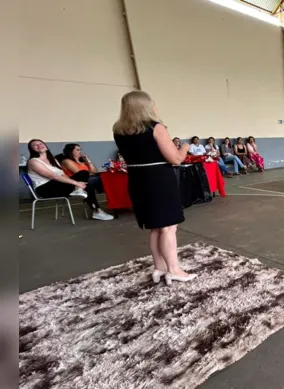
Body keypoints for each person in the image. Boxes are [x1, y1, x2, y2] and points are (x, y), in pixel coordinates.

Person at [112, 90, 196, 285]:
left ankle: (160, 267)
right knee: (168, 227)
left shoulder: (119, 129)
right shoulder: (156, 128)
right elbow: (175, 159)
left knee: (155, 227)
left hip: (137, 180)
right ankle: (174, 270)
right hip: (158, 180)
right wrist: (184, 148)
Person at [26, 139, 92, 209]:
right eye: (35, 145)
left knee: (84, 173)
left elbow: (62, 174)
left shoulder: (53, 160)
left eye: (41, 143)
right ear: (31, 149)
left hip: (57, 184)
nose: (39, 145)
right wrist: (76, 183)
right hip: (45, 189)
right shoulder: (33, 162)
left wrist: (76, 184)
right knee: (87, 186)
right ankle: (96, 210)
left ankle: (95, 209)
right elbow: (53, 176)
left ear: (45, 145)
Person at [59, 143, 114, 220]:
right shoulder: (67, 161)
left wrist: (88, 161)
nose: (80, 151)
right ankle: (97, 210)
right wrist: (90, 173)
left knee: (103, 177)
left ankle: (100, 210)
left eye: (80, 149)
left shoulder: (83, 162)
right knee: (97, 181)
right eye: (77, 150)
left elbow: (94, 171)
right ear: (71, 151)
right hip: (74, 183)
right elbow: (80, 173)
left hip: (88, 181)